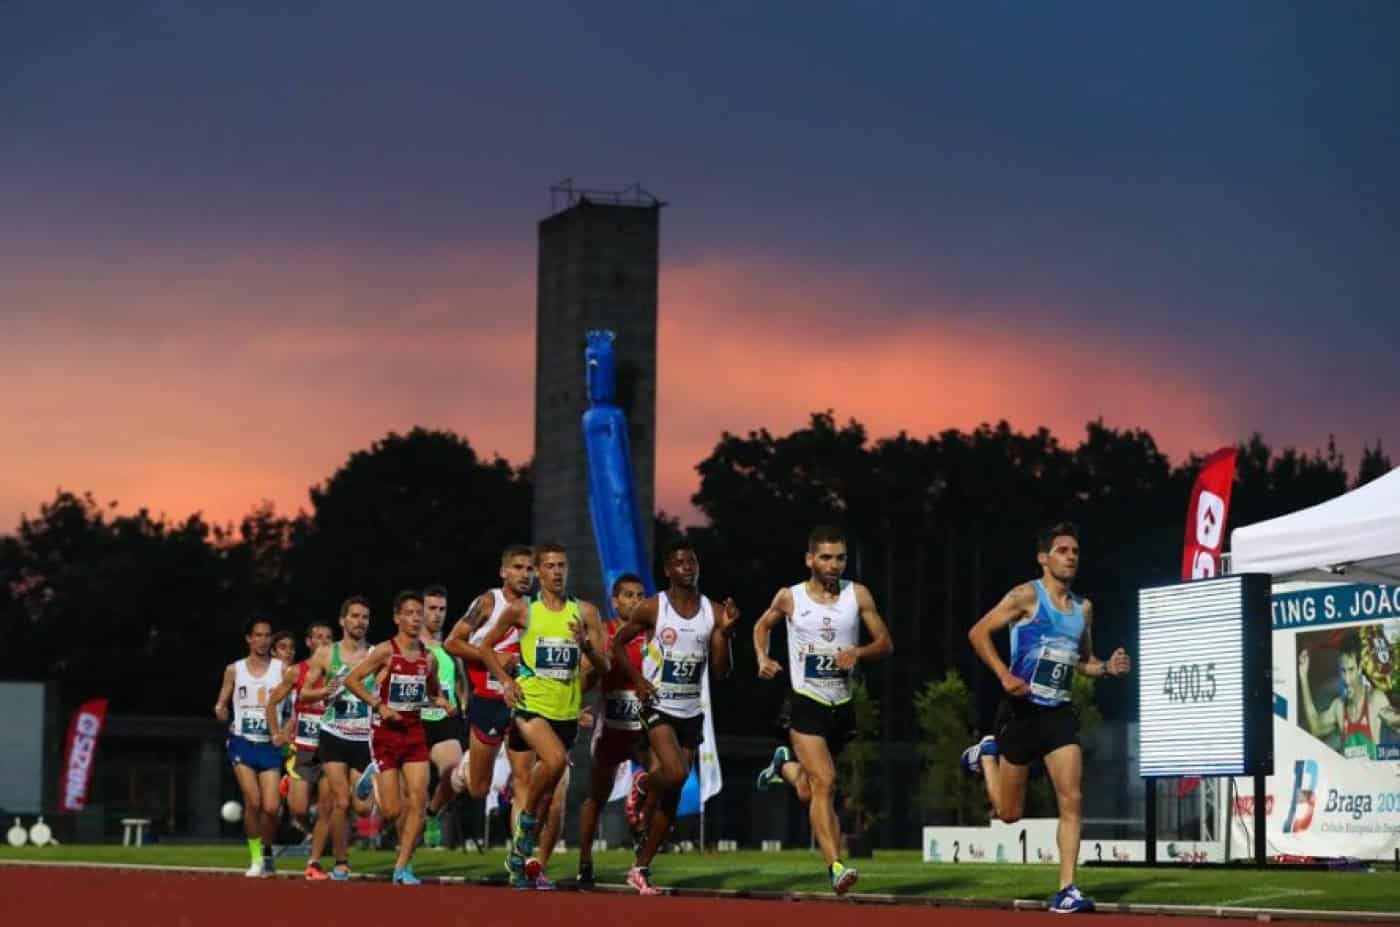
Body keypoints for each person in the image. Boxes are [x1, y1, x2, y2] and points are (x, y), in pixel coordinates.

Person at [963, 522, 1130, 915]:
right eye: (1062, 550)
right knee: (1009, 814)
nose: (1071, 556)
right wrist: (1005, 675)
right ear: (1043, 558)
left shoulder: (1082, 609)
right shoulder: (1025, 596)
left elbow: (1083, 661)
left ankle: (1067, 889)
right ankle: (987, 755)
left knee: (1072, 799)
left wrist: (1107, 667)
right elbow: (977, 633)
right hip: (1020, 714)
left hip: (1058, 715)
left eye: (1075, 551)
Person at [752, 525, 893, 896]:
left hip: (841, 706)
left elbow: (885, 643)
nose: (834, 565)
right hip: (805, 702)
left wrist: (858, 653)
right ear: (810, 559)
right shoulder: (791, 597)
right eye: (826, 557)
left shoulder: (857, 595)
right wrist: (762, 656)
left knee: (808, 790)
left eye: (840, 558)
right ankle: (836, 866)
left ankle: (784, 764)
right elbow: (761, 626)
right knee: (827, 783)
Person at [612, 540, 740, 895]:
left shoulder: (713, 612)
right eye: (680, 562)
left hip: (691, 710)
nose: (687, 567)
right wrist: (638, 680)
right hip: (658, 706)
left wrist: (726, 634)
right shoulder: (654, 607)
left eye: (692, 561)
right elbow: (618, 644)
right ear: (668, 570)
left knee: (672, 796)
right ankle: (642, 785)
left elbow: (721, 670)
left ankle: (639, 869)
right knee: (676, 772)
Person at [479, 543, 609, 890]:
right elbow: (486, 648)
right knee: (554, 761)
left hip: (565, 712)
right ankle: (525, 833)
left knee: (551, 794)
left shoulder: (586, 612)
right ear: (537, 572)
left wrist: (586, 647)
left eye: (561, 565)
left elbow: (605, 666)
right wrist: (506, 681)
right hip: (529, 707)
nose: (556, 572)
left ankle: (520, 858)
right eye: (549, 566)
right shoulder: (523, 610)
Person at [343, 590, 440, 886]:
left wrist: (443, 702)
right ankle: (373, 778)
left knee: (419, 800)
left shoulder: (429, 657)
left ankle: (402, 867)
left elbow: (433, 691)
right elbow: (352, 679)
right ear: (397, 618)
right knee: (391, 810)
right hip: (385, 735)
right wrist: (379, 705)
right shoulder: (386, 651)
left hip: (414, 734)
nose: (415, 618)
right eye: (409, 613)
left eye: (418, 613)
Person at [576, 572, 649, 889]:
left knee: (665, 781)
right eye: (628, 595)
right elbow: (585, 676)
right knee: (596, 798)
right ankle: (585, 863)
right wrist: (575, 705)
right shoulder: (603, 633)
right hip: (611, 726)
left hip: (644, 725)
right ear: (614, 600)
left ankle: (642, 861)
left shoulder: (653, 633)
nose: (635, 601)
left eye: (639, 595)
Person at [301, 595, 376, 881]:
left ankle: (370, 785)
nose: (360, 622)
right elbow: (306, 693)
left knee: (363, 807)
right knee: (340, 802)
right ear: (343, 620)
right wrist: (325, 692)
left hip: (362, 736)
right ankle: (336, 862)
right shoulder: (325, 654)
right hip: (333, 734)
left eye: (365, 617)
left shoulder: (375, 654)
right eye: (355, 616)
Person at [213, 617, 286, 878]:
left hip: (269, 746)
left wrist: (284, 732)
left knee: (271, 807)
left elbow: (294, 706)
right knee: (253, 801)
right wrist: (221, 710)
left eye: (267, 635)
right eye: (258, 635)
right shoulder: (234, 669)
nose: (263, 640)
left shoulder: (282, 669)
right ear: (249, 639)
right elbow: (222, 702)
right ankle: (256, 858)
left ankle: (266, 851)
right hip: (243, 742)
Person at [266, 621, 336, 879]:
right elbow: (272, 703)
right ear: (308, 643)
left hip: (331, 746)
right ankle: (313, 829)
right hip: (303, 747)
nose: (324, 642)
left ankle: (314, 862)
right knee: (298, 809)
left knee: (328, 807)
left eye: (328, 637)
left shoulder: (339, 672)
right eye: (318, 637)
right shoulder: (297, 672)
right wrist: (276, 732)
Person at [418, 583, 467, 848]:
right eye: (431, 608)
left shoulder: (450, 648)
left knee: (455, 771)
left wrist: (461, 707)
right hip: (412, 722)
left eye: (442, 609)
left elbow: (461, 685)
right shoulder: (407, 645)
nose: (437, 614)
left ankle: (432, 813)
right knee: (411, 793)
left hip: (442, 719)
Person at [1299, 632, 1399, 760]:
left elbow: (1396, 722)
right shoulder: (1339, 707)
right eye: (1343, 671)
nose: (1346, 679)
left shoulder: (1375, 700)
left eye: (1351, 670)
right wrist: (1303, 677)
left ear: (1359, 669)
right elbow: (1316, 727)